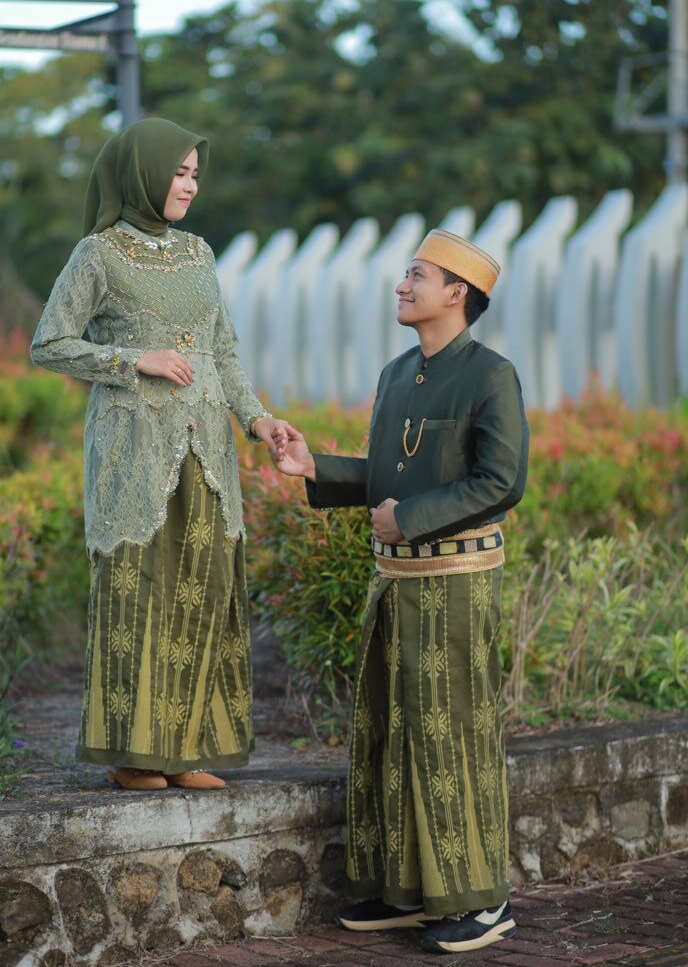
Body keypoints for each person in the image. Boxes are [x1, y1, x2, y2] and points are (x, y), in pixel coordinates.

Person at [275, 229, 529, 954]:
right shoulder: (396, 374)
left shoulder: (491, 376)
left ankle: (481, 900)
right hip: (394, 584)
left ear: (457, 293)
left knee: (454, 737)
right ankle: (405, 893)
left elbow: (501, 482)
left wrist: (409, 519)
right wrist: (314, 468)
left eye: (417, 274)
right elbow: (385, 478)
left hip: (456, 586)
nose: (401, 285)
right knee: (389, 735)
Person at [31, 117, 290, 792]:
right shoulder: (98, 254)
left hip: (208, 453)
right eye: (178, 172)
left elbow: (222, 352)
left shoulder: (199, 253)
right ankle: (134, 754)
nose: (190, 186)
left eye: (195, 175)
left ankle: (186, 749)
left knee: (202, 586)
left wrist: (258, 420)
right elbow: (49, 343)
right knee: (138, 587)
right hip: (133, 452)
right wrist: (132, 359)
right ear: (142, 174)